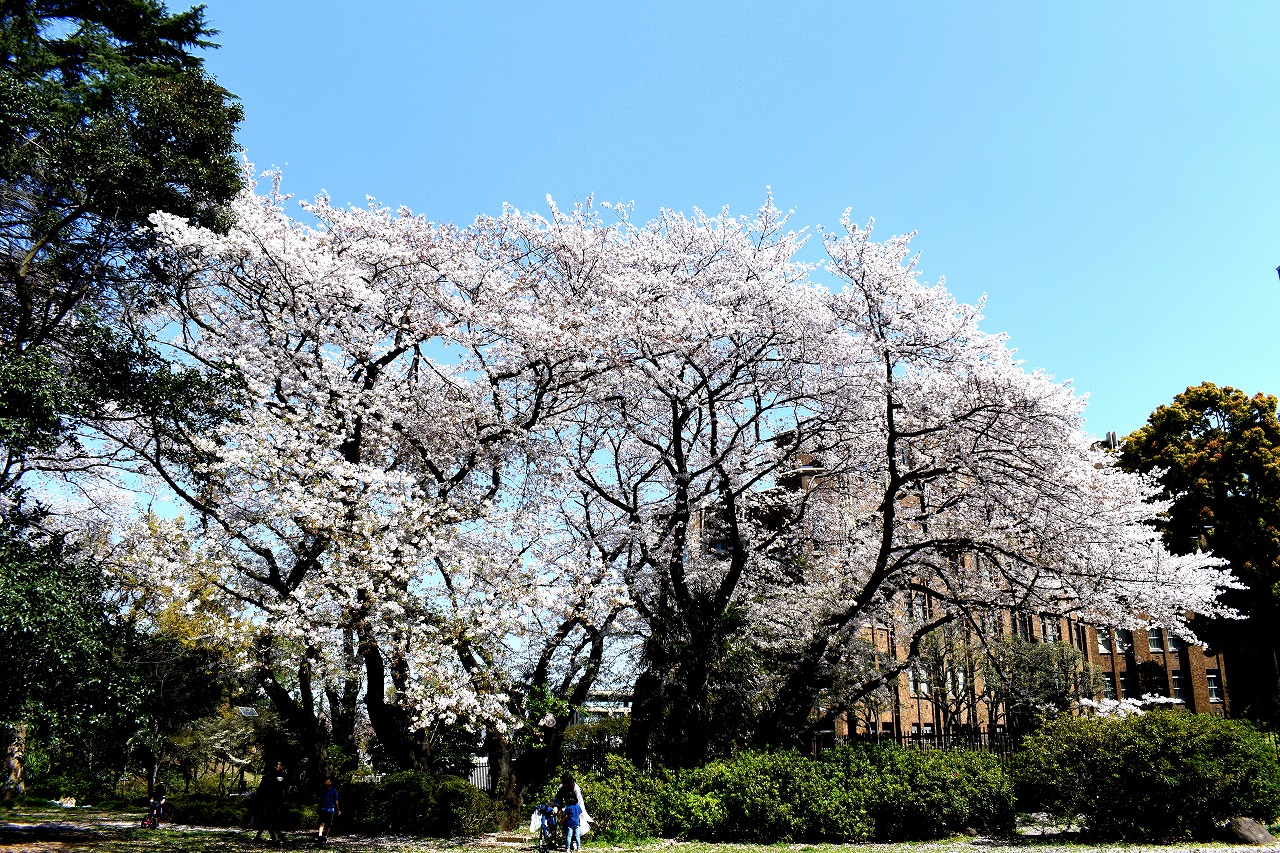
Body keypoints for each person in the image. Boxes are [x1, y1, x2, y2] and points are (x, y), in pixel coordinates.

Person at [254, 760, 288, 844]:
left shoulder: (277, 775)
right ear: (275, 766)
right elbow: (267, 789)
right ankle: (273, 837)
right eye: (279, 765)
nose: (281, 767)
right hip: (269, 801)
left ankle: (258, 837)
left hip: (273, 801)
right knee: (268, 819)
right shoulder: (270, 776)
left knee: (267, 820)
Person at [316, 776, 340, 842]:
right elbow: (319, 800)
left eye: (327, 780)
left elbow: (336, 801)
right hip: (323, 809)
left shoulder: (334, 791)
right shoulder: (322, 790)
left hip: (330, 809)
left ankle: (325, 836)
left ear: (330, 782)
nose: (325, 781)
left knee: (328, 824)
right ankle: (320, 836)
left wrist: (337, 810)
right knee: (322, 823)